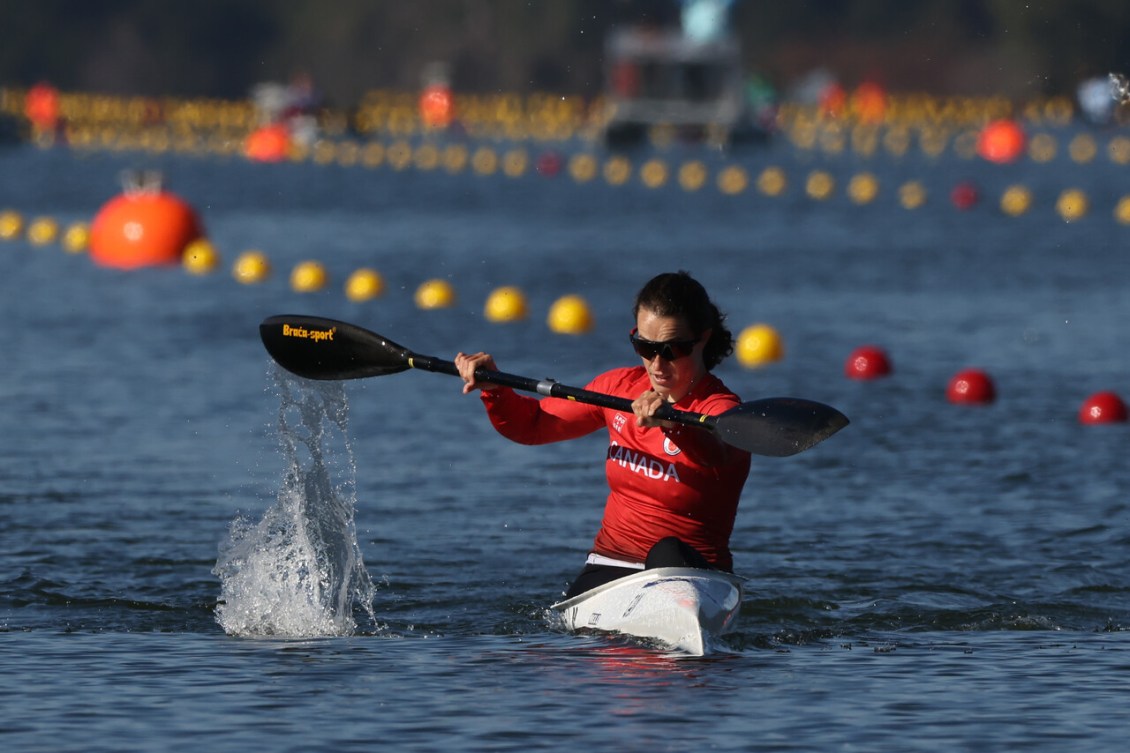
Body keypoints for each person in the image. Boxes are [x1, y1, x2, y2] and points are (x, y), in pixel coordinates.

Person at [455, 271, 751, 598]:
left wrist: (673, 424)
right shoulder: (619, 388)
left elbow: (717, 453)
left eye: (672, 349)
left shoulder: (722, 409)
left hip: (695, 574)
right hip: (612, 563)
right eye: (645, 346)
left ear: (703, 339)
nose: (656, 364)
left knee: (668, 548)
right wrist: (496, 389)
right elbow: (534, 426)